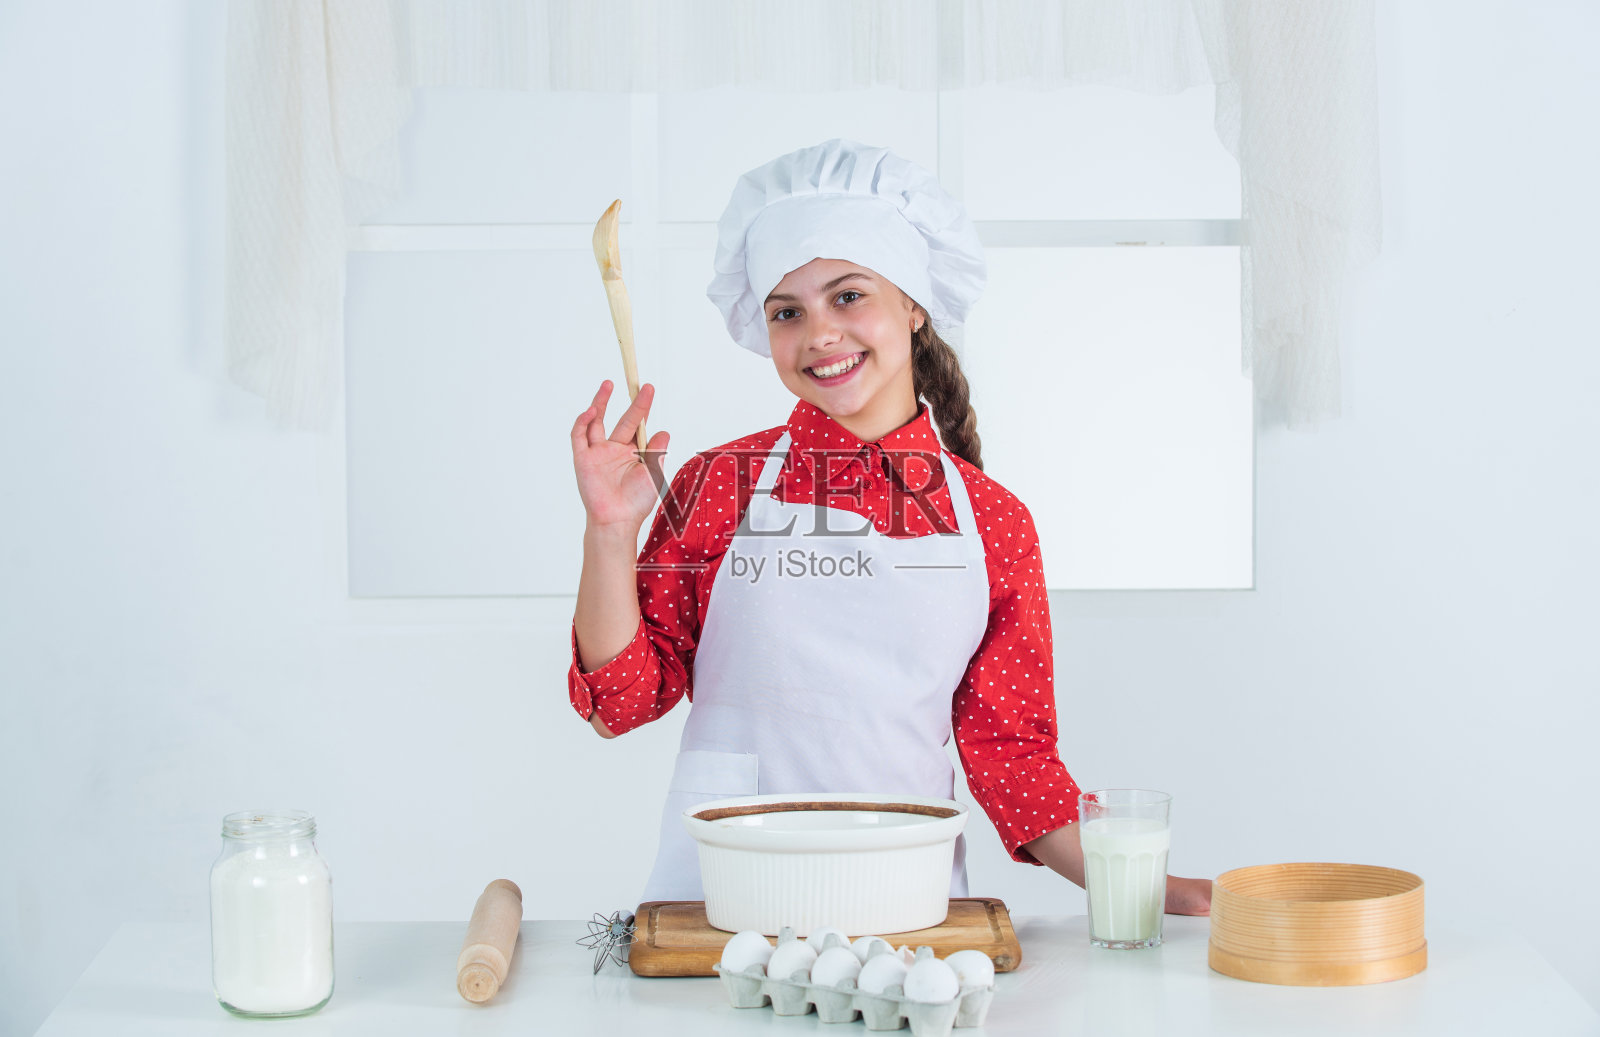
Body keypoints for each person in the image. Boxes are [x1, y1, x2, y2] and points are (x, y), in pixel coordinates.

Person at [568, 138, 1212, 915]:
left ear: (913, 303)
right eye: (787, 311)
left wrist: (1154, 887)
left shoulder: (995, 523)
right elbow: (620, 704)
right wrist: (609, 531)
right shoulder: (715, 485)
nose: (819, 335)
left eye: (848, 296)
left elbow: (1014, 766)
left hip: (902, 917)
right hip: (724, 907)